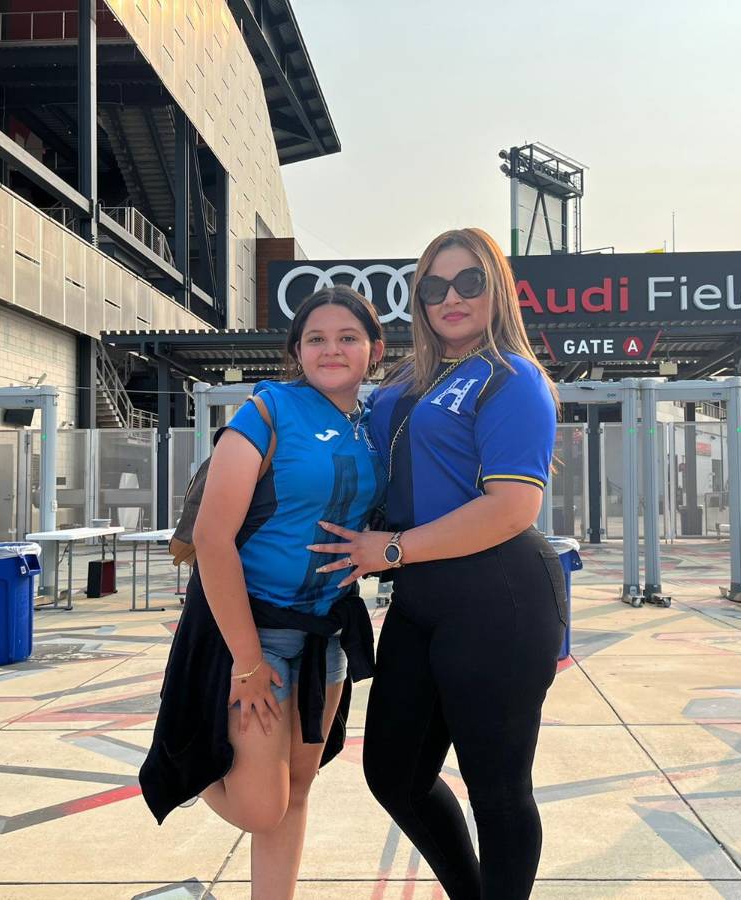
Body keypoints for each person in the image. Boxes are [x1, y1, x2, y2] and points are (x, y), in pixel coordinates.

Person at [309, 227, 565, 899]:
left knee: (497, 790)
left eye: (468, 282)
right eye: (434, 287)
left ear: (497, 289)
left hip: (500, 594)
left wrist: (391, 549)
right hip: (421, 595)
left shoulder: (514, 378)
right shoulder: (407, 378)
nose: (451, 298)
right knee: (394, 774)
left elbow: (513, 506)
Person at [139, 286, 386, 900]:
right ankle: (184, 756)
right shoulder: (268, 410)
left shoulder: (373, 425)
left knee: (296, 790)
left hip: (326, 630)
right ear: (297, 351)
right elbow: (212, 537)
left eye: (348, 337)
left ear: (374, 350)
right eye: (316, 338)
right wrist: (247, 660)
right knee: (260, 806)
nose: (332, 349)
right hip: (255, 632)